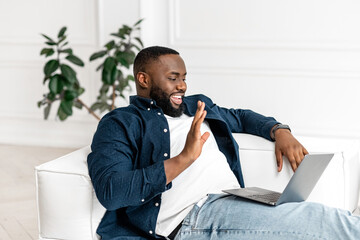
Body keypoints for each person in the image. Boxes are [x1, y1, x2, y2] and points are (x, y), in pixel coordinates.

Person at [87, 46, 360, 240]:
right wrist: (183, 159)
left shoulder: (196, 105)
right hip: (196, 218)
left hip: (238, 200)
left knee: (323, 217)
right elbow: (111, 191)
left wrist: (280, 130)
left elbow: (241, 118)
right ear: (143, 79)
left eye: (184, 78)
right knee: (327, 223)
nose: (182, 86)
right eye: (173, 78)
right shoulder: (120, 122)